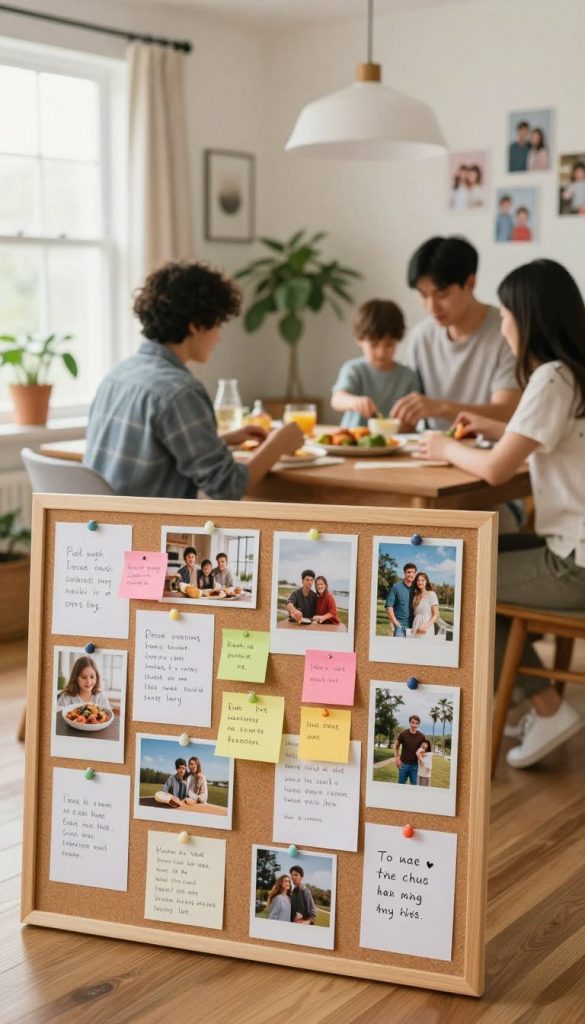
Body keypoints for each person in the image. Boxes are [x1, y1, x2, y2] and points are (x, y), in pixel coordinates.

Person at [416, 259, 585, 768]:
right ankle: (522, 700)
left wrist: (446, 447)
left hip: (573, 565)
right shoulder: (572, 374)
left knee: (448, 584)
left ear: (528, 317)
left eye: (508, 313)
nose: (503, 325)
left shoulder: (550, 378)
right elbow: (538, 446)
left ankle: (544, 705)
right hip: (573, 547)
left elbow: (493, 473)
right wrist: (493, 431)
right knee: (466, 555)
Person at [85, 261, 302, 498]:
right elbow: (227, 487)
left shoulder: (117, 376)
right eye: (217, 326)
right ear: (196, 327)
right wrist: (278, 443)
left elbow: (153, 451)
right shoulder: (179, 392)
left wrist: (222, 441)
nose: (218, 338)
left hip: (106, 529)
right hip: (150, 532)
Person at [391, 237, 520, 431]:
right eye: (423, 295)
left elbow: (507, 412)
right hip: (429, 450)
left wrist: (441, 408)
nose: (432, 306)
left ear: (470, 283)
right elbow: (409, 414)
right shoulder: (422, 337)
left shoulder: (506, 332)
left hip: (488, 451)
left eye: (441, 294)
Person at [331, 299, 421, 427]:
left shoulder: (408, 376)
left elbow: (412, 419)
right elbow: (336, 400)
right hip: (355, 441)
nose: (381, 352)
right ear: (359, 339)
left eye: (389, 344)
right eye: (374, 345)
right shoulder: (354, 369)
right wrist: (355, 402)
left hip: (396, 440)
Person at [385, 563, 417, 636]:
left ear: (415, 574)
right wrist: (396, 623)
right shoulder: (396, 587)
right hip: (400, 626)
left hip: (415, 626)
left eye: (413, 572)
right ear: (404, 573)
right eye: (408, 572)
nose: (411, 574)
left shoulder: (417, 588)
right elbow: (389, 606)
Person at [394, 715, 427, 785]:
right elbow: (396, 746)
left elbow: (423, 751)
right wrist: (397, 758)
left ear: (418, 724)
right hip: (403, 765)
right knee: (400, 785)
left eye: (416, 723)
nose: (414, 725)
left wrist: (422, 758)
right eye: (413, 722)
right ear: (409, 722)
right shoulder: (403, 734)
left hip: (414, 766)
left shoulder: (421, 736)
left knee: (414, 787)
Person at [411, 572, 439, 638]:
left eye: (422, 580)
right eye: (418, 580)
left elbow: (436, 614)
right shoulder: (416, 596)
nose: (420, 582)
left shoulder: (431, 594)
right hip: (416, 625)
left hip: (426, 626)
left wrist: (426, 626)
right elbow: (416, 614)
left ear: (426, 582)